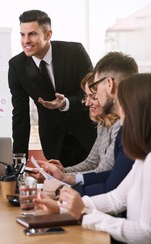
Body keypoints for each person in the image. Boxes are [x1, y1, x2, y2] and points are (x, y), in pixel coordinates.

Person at [36, 73, 151, 243]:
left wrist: (83, 214)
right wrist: (64, 207)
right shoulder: (148, 155)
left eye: (122, 106)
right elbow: (116, 199)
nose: (120, 115)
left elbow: (147, 233)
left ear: (138, 111)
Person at [39, 51, 137, 197]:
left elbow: (108, 182)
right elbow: (101, 172)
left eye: (94, 92)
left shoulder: (127, 128)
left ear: (109, 84)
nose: (87, 102)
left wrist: (62, 190)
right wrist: (63, 174)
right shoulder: (117, 124)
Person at [8, 9, 97, 167]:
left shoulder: (75, 52)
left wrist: (66, 103)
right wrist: (18, 163)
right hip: (54, 144)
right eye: (22, 34)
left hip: (88, 136)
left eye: (32, 34)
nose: (25, 41)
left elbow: (92, 93)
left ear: (48, 34)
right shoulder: (17, 66)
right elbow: (20, 116)